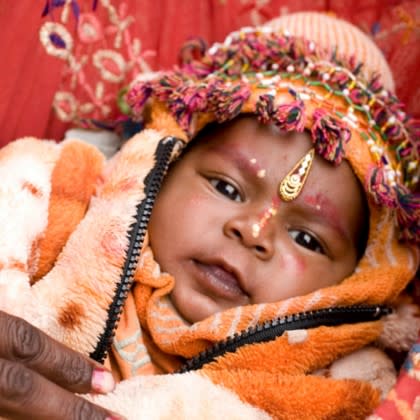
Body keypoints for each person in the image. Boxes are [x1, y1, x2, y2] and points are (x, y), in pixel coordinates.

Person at [0, 12, 418, 419]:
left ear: (357, 283)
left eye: (307, 239)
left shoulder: (342, 388)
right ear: (163, 162)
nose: (253, 232)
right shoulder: (55, 206)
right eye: (226, 187)